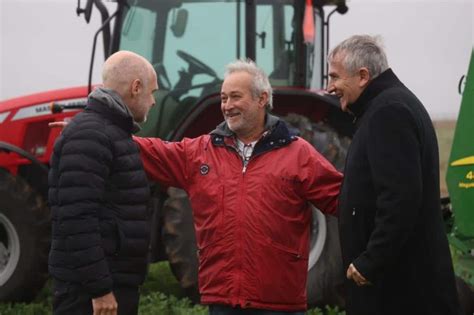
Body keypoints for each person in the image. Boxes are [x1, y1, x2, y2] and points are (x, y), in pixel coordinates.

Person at [134, 59, 343, 314]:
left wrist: (373, 256)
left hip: (279, 305)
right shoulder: (201, 152)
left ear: (261, 98)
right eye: (223, 98)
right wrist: (101, 128)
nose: (227, 106)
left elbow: (345, 202)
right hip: (224, 302)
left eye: (235, 97)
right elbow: (149, 152)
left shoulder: (298, 154)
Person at [327, 35, 461, 315]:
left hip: (399, 291)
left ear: (362, 76)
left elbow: (400, 199)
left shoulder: (389, 112)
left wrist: (370, 262)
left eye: (335, 77)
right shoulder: (385, 107)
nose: (330, 87)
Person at [48, 50, 158, 315]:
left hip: (113, 282)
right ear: (136, 87)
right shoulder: (91, 135)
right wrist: (100, 290)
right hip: (91, 295)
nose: (153, 101)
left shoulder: (112, 132)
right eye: (152, 92)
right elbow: (77, 219)